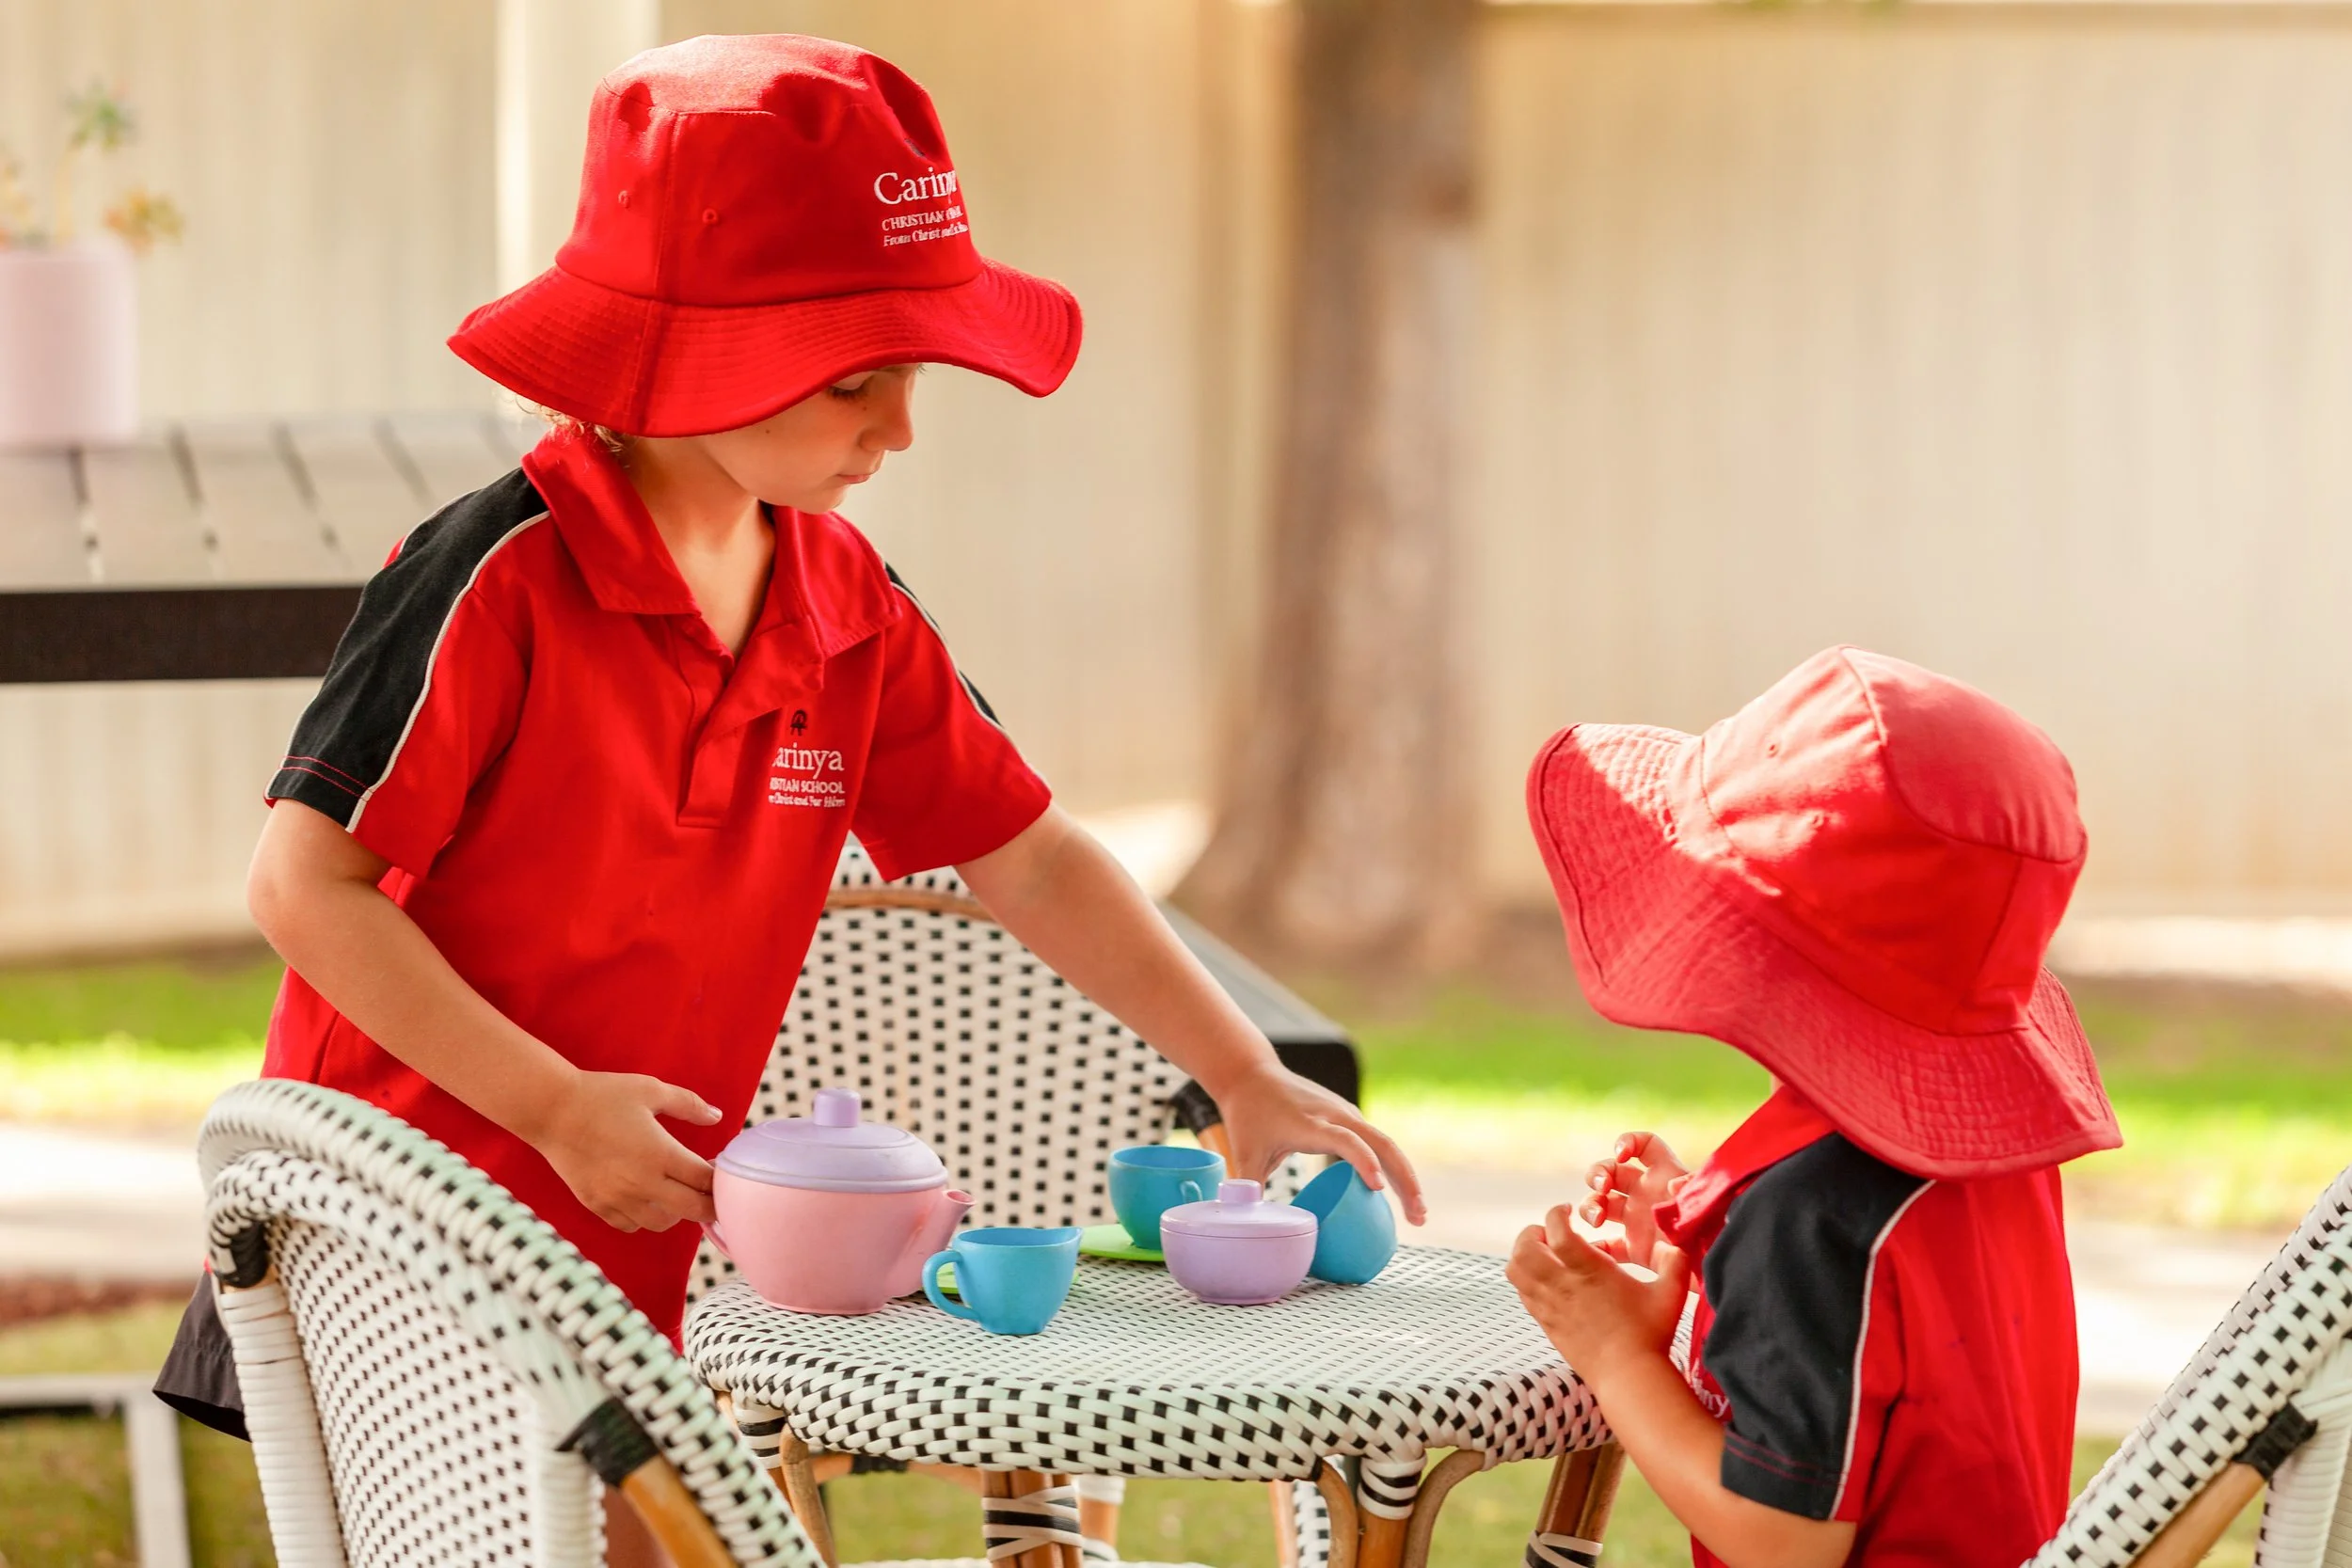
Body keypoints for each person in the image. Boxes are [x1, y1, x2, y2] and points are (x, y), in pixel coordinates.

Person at [158, 33, 1423, 1561]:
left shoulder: (843, 600)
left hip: (643, 1252)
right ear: (686, 359)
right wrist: (554, 1107)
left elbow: (1025, 857)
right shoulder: (495, 581)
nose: (898, 427)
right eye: (854, 381)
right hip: (406, 1243)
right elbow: (303, 886)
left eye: (910, 374)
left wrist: (1241, 1073)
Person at [1505, 647, 2121, 1567]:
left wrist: (1615, 1354)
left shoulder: (1803, 1216)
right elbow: (1902, 1347)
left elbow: (1782, 1541)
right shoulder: (1991, 1156)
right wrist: (1704, 1225)